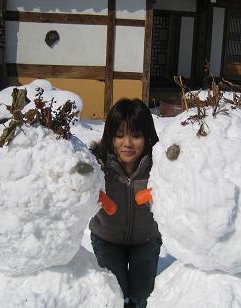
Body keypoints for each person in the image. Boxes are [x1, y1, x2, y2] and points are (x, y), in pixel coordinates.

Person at [89, 98, 162, 308]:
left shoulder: (159, 167)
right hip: (107, 239)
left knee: (141, 297)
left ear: (147, 137)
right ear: (110, 136)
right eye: (119, 135)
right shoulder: (97, 165)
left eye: (136, 135)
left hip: (146, 240)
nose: (127, 143)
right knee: (115, 296)